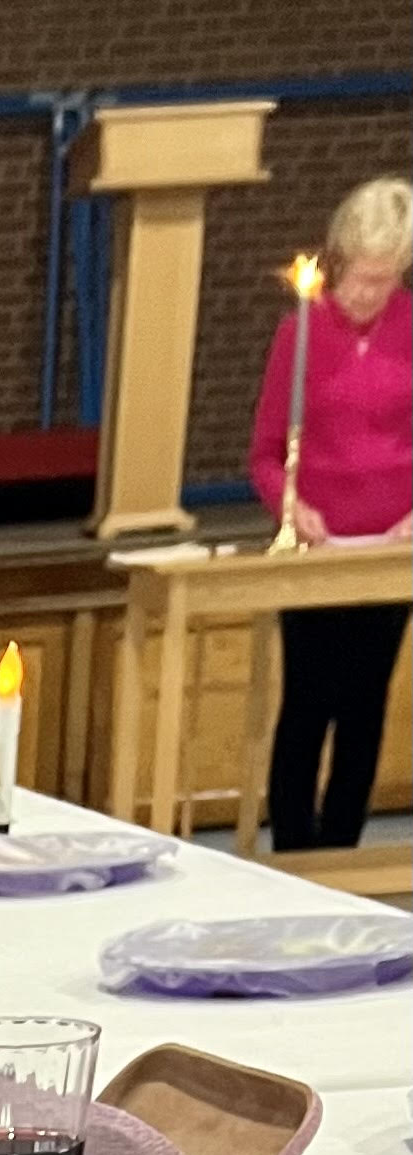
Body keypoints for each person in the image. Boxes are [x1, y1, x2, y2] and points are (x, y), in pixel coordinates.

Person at [249, 172, 413, 856]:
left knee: (364, 703)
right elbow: (263, 452)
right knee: (306, 701)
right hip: (316, 548)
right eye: (352, 275)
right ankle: (291, 849)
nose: (361, 293)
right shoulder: (301, 331)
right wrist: (290, 505)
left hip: (390, 547)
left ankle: (342, 851)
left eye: (379, 280)